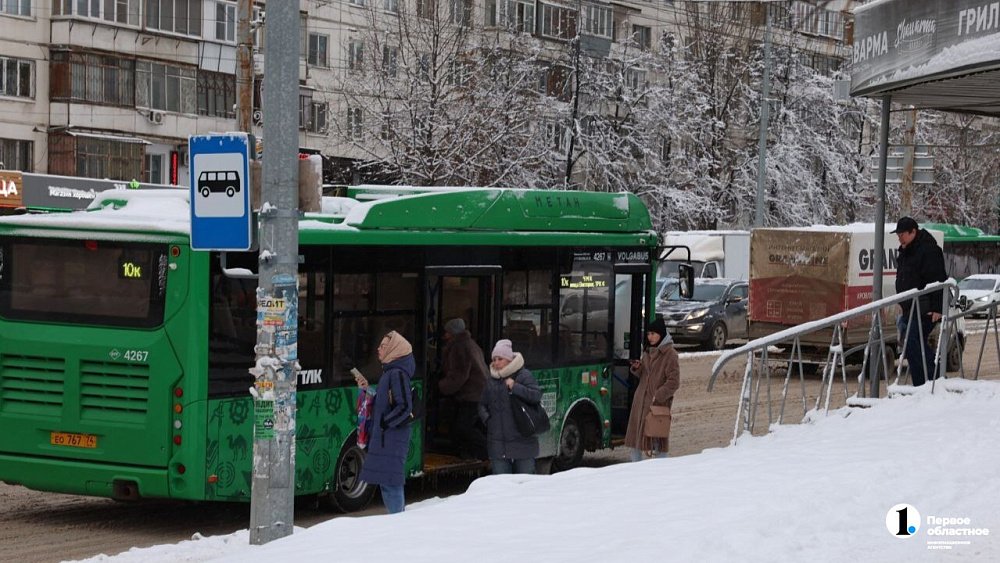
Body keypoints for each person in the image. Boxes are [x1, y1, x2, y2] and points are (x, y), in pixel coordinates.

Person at [355, 330, 416, 514]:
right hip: (387, 436)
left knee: (390, 482)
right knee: (387, 481)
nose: (378, 349)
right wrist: (368, 389)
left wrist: (383, 423)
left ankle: (398, 523)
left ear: (394, 349)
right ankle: (397, 521)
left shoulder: (396, 373)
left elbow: (404, 406)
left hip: (391, 437)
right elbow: (387, 402)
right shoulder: (391, 372)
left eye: (383, 346)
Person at [893, 216, 949, 386]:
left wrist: (938, 307)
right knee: (910, 344)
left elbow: (938, 278)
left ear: (913, 232)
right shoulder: (905, 251)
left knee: (912, 341)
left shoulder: (928, 250)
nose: (899, 237)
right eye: (898, 234)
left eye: (902, 234)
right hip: (910, 308)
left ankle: (930, 381)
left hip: (925, 308)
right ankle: (930, 380)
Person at [479, 338, 541, 474]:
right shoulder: (491, 381)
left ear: (509, 359)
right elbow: (482, 405)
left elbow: (536, 396)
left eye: (500, 359)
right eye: (494, 359)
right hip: (498, 447)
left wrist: (515, 387)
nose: (496, 363)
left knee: (524, 485)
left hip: (523, 444)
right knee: (502, 490)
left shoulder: (523, 375)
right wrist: (488, 420)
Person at [624, 315, 680, 461]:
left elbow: (674, 382)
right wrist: (638, 368)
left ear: (661, 334)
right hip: (640, 402)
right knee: (636, 440)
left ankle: (660, 472)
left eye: (653, 334)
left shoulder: (670, 354)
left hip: (657, 405)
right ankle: (635, 468)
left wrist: (658, 395)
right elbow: (644, 374)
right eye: (648, 334)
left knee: (657, 439)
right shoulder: (648, 351)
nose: (650, 337)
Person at [438, 318, 488, 460]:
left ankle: (487, 450)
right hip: (478, 392)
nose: (444, 335)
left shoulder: (459, 347)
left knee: (463, 427)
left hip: (472, 394)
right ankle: (469, 453)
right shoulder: (470, 344)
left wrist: (441, 387)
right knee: (462, 426)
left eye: (447, 332)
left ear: (452, 333)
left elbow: (459, 375)